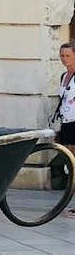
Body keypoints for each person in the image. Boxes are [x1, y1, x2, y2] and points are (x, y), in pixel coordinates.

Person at [54, 43, 75, 217]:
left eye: (68, 55)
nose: (64, 59)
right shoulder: (63, 76)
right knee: (71, 164)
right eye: (62, 55)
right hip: (66, 122)